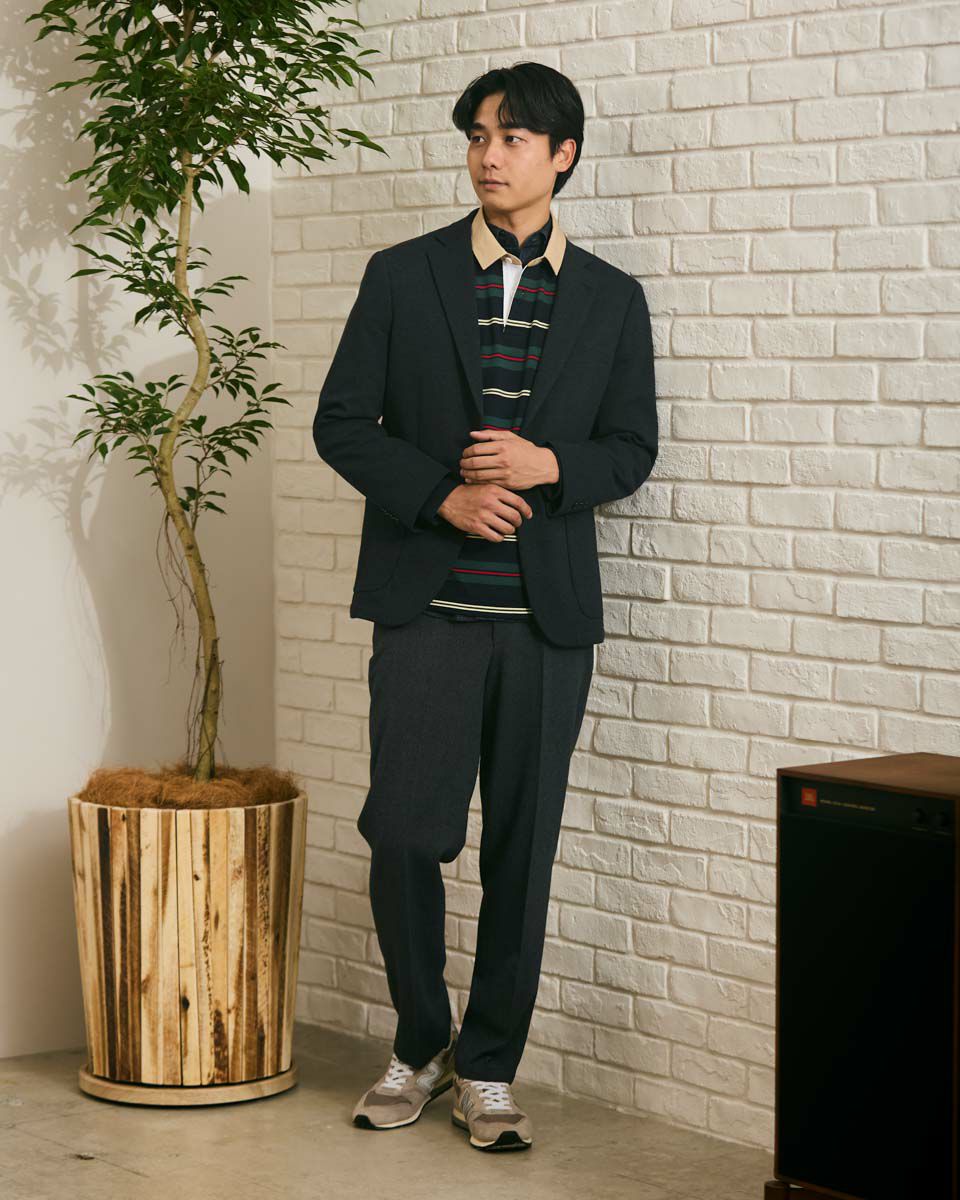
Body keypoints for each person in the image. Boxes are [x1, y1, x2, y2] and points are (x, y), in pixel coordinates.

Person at [312, 61, 658, 1152]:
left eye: (511, 137)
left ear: (563, 154)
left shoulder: (610, 297)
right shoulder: (402, 275)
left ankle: (491, 1065)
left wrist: (548, 463)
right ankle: (420, 1043)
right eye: (477, 135)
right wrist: (443, 497)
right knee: (405, 833)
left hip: (547, 624)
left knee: (523, 847)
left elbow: (631, 448)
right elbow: (341, 422)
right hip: (427, 610)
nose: (488, 154)